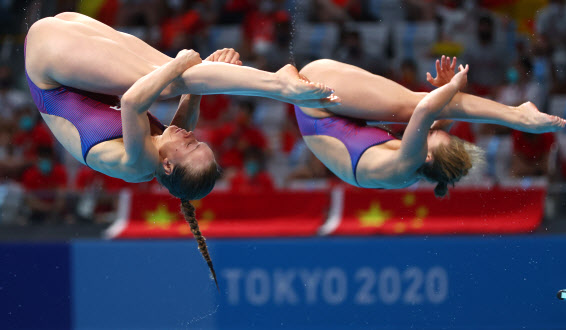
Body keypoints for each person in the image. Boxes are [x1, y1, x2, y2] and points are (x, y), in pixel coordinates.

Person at [24, 12, 339, 289]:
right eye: (197, 140)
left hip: (49, 65)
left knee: (174, 78)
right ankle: (275, 83)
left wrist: (182, 66)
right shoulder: (166, 145)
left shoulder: (138, 163)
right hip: (64, 37)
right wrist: (213, 68)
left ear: (169, 167)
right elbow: (191, 98)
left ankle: (280, 87)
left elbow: (134, 101)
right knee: (181, 78)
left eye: (189, 144)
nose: (189, 134)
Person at [294, 57, 566, 195]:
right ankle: (516, 115)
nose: (438, 130)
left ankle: (519, 116)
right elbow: (442, 117)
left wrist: (452, 87)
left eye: (437, 136)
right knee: (431, 104)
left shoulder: (407, 161)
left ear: (427, 155)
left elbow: (427, 110)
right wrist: (446, 90)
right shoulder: (416, 165)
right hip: (325, 114)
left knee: (417, 106)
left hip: (316, 104)